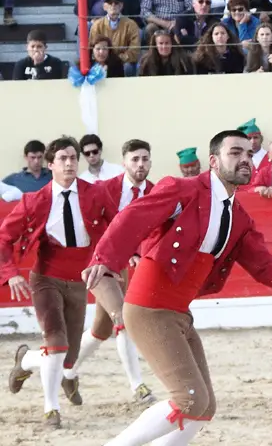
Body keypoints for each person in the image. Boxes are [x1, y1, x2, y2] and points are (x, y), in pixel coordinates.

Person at [81, 130, 272, 445]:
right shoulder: (183, 190)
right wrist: (106, 257)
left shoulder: (238, 216)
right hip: (149, 308)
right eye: (235, 153)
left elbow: (261, 263)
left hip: (178, 313)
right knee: (189, 399)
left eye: (248, 154)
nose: (245, 160)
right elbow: (133, 217)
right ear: (213, 161)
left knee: (204, 406)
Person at [1, 137, 118, 429]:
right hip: (46, 278)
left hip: (80, 280)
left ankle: (26, 360)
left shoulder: (96, 193)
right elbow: (3, 238)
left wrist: (112, 260)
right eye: (63, 159)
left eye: (73, 158)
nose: (69, 163)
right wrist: (11, 272)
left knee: (68, 357)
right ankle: (50, 409)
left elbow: (117, 226)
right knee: (56, 342)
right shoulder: (33, 201)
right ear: (50, 164)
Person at [62, 139, 156, 405]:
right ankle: (137, 386)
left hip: (122, 266)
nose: (140, 164)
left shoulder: (156, 191)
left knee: (99, 332)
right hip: (98, 264)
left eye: (145, 159)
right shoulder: (104, 190)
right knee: (123, 318)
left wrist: (137, 250)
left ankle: (65, 371)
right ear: (124, 162)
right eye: (135, 159)